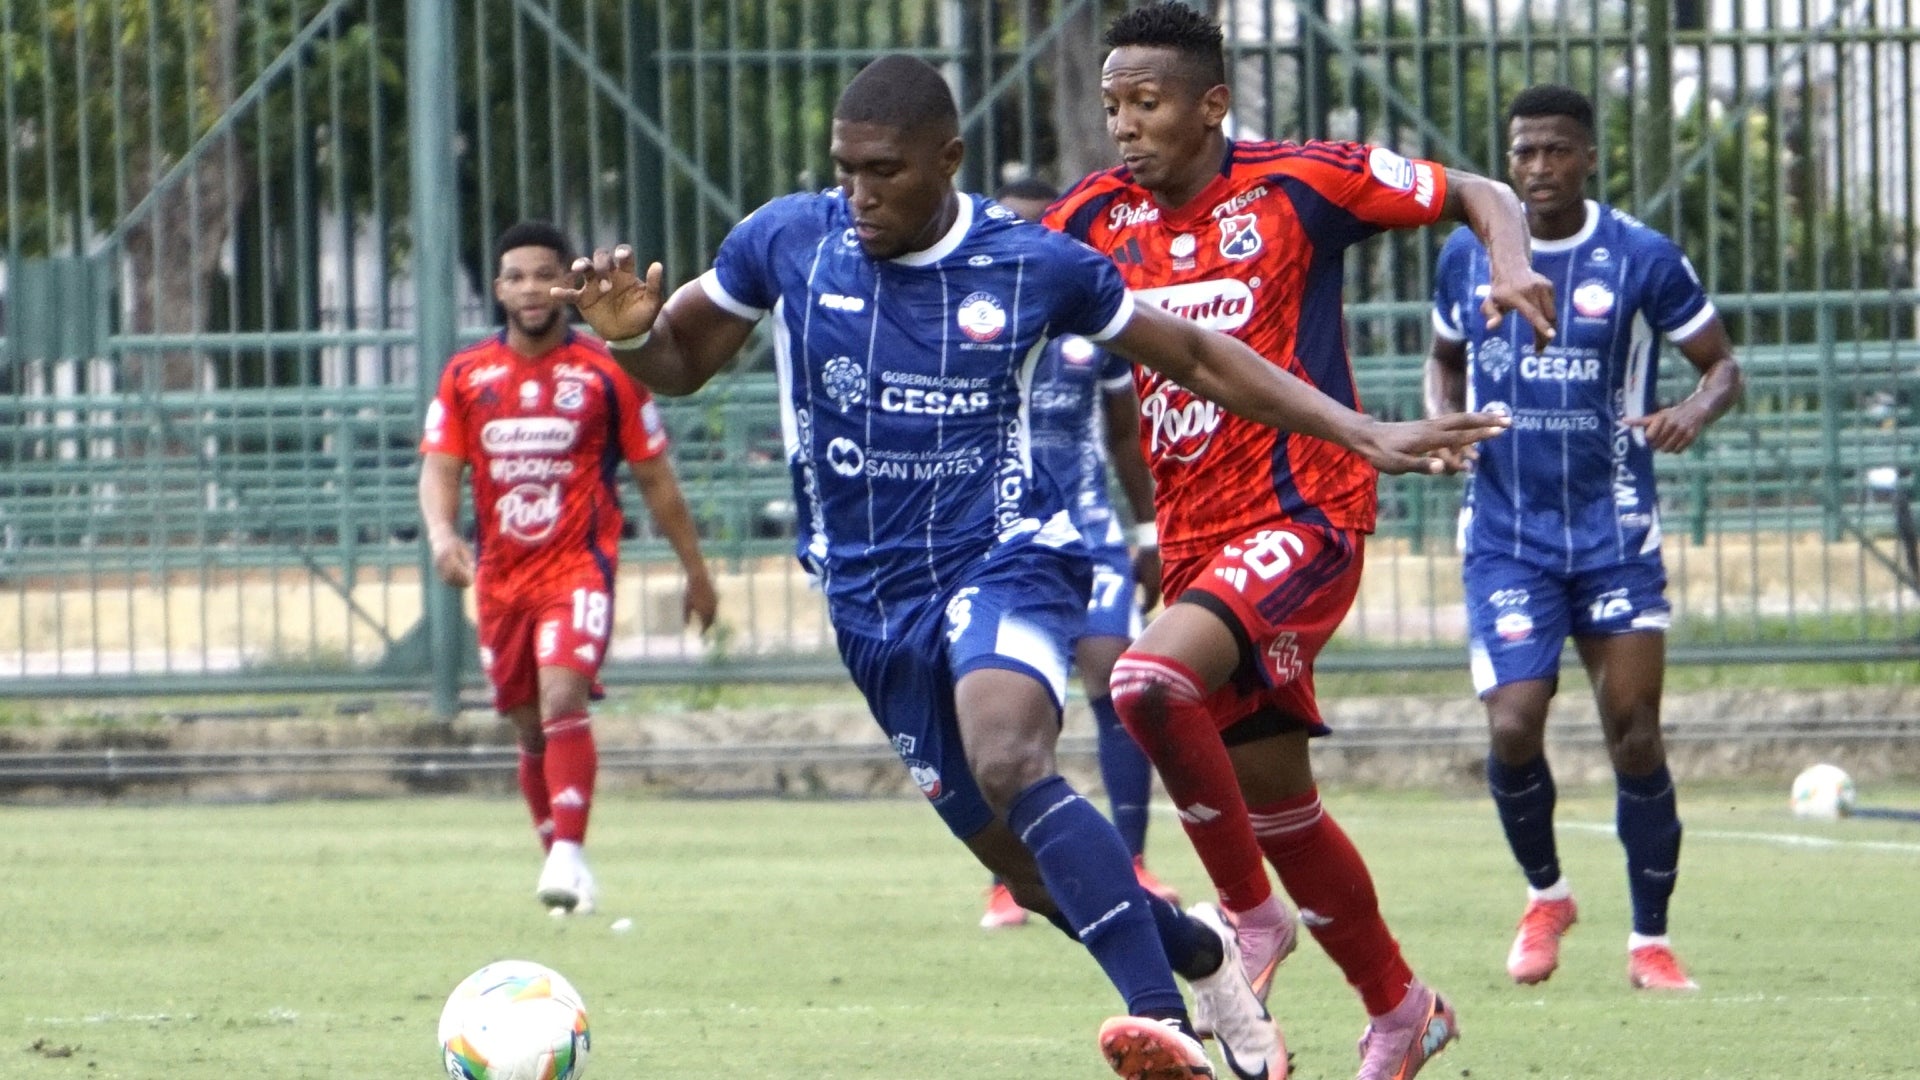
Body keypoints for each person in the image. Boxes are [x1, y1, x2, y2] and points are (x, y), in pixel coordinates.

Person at [554, 55, 1504, 1080]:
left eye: (885, 172)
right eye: (846, 170)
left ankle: (1164, 1022)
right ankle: (1200, 956)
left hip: (1002, 558)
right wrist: (634, 337)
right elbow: (682, 364)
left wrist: (1357, 430)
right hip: (869, 604)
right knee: (1026, 866)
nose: (860, 195)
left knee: (1013, 757)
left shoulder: (1030, 263)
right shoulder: (789, 239)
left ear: (946, 161)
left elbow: (1192, 355)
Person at [1044, 6, 1557, 1078]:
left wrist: (1506, 261)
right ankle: (1401, 1007)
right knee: (1279, 806)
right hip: (1196, 542)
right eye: (1111, 107)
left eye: (1147, 103)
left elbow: (1478, 189)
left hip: (1308, 512)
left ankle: (1247, 920)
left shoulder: (1299, 185)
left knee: (1143, 684)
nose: (1125, 127)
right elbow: (992, 278)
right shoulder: (1092, 218)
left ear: (1212, 105)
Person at [1424, 84, 1743, 993]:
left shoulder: (1639, 256)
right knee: (1516, 722)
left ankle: (1650, 941)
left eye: (1556, 151)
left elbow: (1721, 363)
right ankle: (1547, 894)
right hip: (1505, 535)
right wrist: (1441, 423)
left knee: (1634, 733)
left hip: (1615, 534)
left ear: (1589, 157)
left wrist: (1692, 408)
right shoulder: (1467, 251)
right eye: (1523, 153)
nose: (1537, 169)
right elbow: (1443, 359)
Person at [418, 220, 718, 917]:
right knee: (528, 728)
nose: (529, 289)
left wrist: (696, 572)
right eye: (515, 275)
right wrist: (440, 535)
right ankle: (564, 865)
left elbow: (656, 481)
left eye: (542, 274)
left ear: (568, 283)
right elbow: (439, 468)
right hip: (501, 579)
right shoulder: (467, 375)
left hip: (577, 569)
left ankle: (569, 854)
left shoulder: (609, 370)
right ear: (498, 288)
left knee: (561, 701)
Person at [978, 177, 1178, 931]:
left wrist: (1149, 533)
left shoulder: (1092, 324)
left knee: (1118, 675)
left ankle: (1129, 859)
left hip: (1088, 526)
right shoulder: (975, 323)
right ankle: (1014, 874)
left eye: (1044, 229)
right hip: (996, 530)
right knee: (1011, 704)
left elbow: (1126, 437)